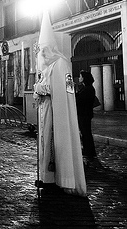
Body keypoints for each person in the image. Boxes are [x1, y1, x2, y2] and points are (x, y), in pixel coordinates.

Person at [33, 10, 87, 197]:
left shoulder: (61, 64)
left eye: (44, 49)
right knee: (45, 143)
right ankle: (47, 177)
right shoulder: (48, 68)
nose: (42, 54)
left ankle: (62, 177)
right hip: (46, 110)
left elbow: (59, 89)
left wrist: (39, 88)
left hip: (57, 111)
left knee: (56, 143)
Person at [75, 70, 97, 164]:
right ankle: (88, 150)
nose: (79, 78)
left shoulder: (88, 89)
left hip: (84, 114)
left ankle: (89, 151)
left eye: (80, 77)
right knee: (85, 133)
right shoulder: (86, 88)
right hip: (84, 113)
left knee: (86, 133)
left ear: (84, 78)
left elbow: (80, 101)